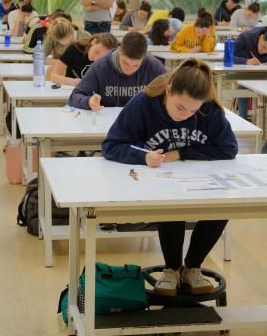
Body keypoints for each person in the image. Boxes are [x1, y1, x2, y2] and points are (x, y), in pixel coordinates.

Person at [102, 58, 238, 296]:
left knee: (223, 203)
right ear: (168, 91)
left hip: (197, 178)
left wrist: (182, 153)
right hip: (154, 179)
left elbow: (228, 148)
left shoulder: (209, 109)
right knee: (171, 203)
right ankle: (172, 269)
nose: (185, 115)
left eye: (193, 110)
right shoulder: (144, 103)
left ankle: (192, 267)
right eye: (180, 107)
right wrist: (142, 157)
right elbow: (111, 145)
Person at [69, 32, 166, 110]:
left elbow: (172, 93)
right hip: (106, 125)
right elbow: (74, 97)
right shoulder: (99, 67)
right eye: (125, 63)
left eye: (136, 65)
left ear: (144, 56)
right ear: (119, 50)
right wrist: (89, 101)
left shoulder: (154, 67)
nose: (129, 70)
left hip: (142, 124)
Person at [51, 33, 118, 86]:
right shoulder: (74, 48)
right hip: (71, 92)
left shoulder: (110, 59)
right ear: (93, 41)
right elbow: (54, 76)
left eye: (102, 57)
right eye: (96, 52)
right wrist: (72, 81)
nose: (96, 59)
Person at [233, 27, 267, 118]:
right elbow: (228, 57)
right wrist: (246, 61)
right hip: (244, 75)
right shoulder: (244, 37)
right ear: (261, 37)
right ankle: (242, 119)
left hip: (263, 76)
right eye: (264, 47)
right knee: (243, 87)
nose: (264, 52)